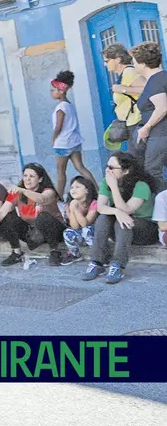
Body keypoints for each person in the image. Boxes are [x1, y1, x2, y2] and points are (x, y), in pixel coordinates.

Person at [82, 152, 159, 283]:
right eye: (107, 166)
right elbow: (100, 207)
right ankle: (96, 262)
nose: (107, 170)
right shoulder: (107, 182)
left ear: (126, 170)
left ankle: (118, 265)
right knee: (103, 218)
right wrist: (117, 212)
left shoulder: (141, 185)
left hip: (145, 230)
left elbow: (126, 209)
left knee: (122, 222)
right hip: (122, 228)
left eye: (112, 168)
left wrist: (114, 187)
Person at [0, 163, 66, 266]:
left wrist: (23, 190)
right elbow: (1, 212)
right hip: (34, 233)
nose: (27, 179)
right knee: (7, 216)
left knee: (43, 216)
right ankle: (17, 252)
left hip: (55, 232)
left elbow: (42, 199)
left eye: (32, 176)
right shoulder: (18, 193)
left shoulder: (48, 191)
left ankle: (55, 251)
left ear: (40, 179)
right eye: (25, 176)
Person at [50, 70, 96, 198]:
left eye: (53, 90)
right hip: (74, 141)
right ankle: (96, 190)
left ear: (61, 91)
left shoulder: (60, 108)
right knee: (80, 167)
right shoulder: (69, 105)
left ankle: (58, 197)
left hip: (63, 143)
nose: (51, 93)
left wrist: (54, 138)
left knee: (60, 172)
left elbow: (58, 126)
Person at [129, 42, 167, 192]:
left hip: (160, 134)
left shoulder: (155, 81)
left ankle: (163, 209)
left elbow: (162, 107)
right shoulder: (162, 77)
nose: (133, 65)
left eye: (134, 62)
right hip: (161, 135)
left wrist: (146, 127)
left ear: (142, 63)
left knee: (152, 170)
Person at [103, 44, 145, 155]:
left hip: (137, 122)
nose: (105, 64)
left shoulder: (129, 72)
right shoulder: (123, 74)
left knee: (139, 161)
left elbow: (146, 89)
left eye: (107, 61)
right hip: (130, 123)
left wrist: (123, 89)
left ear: (117, 59)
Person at [61, 176, 99, 264]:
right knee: (67, 232)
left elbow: (85, 223)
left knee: (86, 230)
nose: (73, 190)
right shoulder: (71, 203)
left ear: (87, 190)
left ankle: (99, 256)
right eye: (72, 187)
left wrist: (75, 209)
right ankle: (75, 255)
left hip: (95, 234)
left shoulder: (94, 203)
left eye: (77, 187)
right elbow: (75, 226)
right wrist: (72, 208)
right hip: (81, 234)